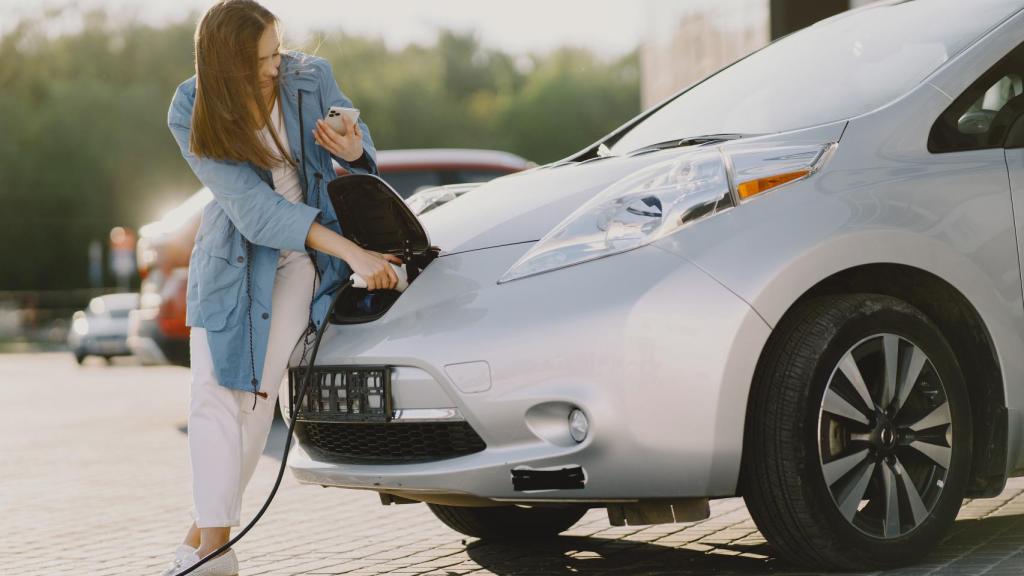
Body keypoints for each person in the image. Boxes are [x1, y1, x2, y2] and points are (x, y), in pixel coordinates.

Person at [161, 1, 402, 574]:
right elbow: (254, 210)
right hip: (235, 260)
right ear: (227, 65)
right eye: (264, 58)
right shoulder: (190, 106)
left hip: (302, 264)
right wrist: (354, 253)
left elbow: (358, 141)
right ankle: (214, 553)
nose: (278, 65)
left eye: (277, 50)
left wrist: (353, 147)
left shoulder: (307, 76)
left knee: (253, 400)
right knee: (214, 396)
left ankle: (204, 548)